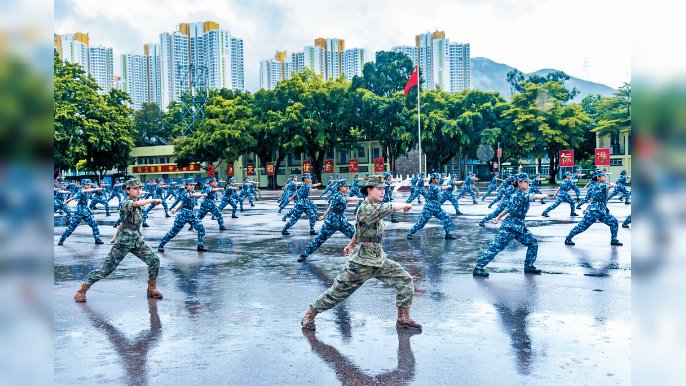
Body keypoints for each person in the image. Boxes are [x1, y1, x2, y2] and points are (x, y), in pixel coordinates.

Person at [300, 175, 421, 331]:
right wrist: (404, 205)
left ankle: (403, 318)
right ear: (369, 190)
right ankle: (310, 315)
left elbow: (359, 230)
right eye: (379, 189)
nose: (383, 192)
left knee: (405, 279)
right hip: (361, 263)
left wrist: (350, 244)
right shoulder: (367, 208)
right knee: (337, 293)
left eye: (384, 189)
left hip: (378, 260)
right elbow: (387, 208)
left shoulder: (374, 207)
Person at [74, 179, 163, 302]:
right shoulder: (126, 202)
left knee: (154, 260)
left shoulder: (135, 203)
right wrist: (153, 200)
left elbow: (123, 222)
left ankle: (151, 289)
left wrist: (114, 235)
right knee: (106, 268)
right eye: (135, 188)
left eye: (140, 188)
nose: (138, 190)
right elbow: (136, 205)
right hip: (124, 242)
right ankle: (82, 290)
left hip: (136, 239)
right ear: (127, 190)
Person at [473, 173, 548, 277]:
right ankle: (478, 267)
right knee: (496, 246)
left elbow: (508, 208)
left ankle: (529, 266)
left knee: (533, 243)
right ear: (520, 183)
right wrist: (544, 195)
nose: (528, 184)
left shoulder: (516, 194)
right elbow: (534, 197)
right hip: (510, 227)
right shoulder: (520, 194)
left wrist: (498, 217)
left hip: (518, 227)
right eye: (526, 182)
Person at [298, 180, 364, 262]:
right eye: (345, 187)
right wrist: (359, 199)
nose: (347, 188)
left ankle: (364, 255)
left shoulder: (341, 195)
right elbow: (347, 199)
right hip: (331, 222)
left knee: (356, 235)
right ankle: (304, 255)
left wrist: (323, 216)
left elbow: (330, 207)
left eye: (348, 187)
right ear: (340, 187)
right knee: (319, 239)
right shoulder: (337, 196)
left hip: (341, 220)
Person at [565, 170, 623, 246]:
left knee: (614, 222)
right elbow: (611, 185)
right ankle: (568, 238)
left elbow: (593, 198)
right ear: (598, 177)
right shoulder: (599, 185)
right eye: (603, 176)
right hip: (594, 212)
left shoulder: (595, 185)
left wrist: (587, 208)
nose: (605, 177)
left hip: (601, 210)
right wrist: (617, 185)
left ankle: (614, 240)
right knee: (582, 227)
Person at [158, 178, 208, 252]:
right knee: (173, 232)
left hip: (191, 214)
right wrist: (203, 194)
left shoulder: (192, 191)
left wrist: (175, 209)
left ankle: (200, 245)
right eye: (190, 185)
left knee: (201, 227)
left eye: (193, 185)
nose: (192, 186)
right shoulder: (185, 193)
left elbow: (182, 203)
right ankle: (161, 244)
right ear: (186, 186)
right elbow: (191, 195)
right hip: (183, 215)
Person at [407, 173, 456, 240]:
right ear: (433, 179)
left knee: (446, 217)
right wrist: (448, 186)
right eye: (437, 178)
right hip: (429, 208)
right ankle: (410, 233)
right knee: (421, 223)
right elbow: (441, 188)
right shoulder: (433, 186)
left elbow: (440, 187)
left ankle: (448, 234)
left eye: (439, 178)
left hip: (437, 208)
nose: (438, 180)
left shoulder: (435, 185)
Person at [57, 179, 104, 245]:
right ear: (83, 185)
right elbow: (85, 191)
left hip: (86, 211)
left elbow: (75, 196)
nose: (89, 185)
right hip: (79, 211)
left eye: (89, 184)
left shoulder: (87, 190)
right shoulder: (82, 190)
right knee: (72, 226)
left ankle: (97, 238)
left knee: (94, 224)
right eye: (88, 184)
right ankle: (62, 239)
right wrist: (96, 189)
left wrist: (67, 201)